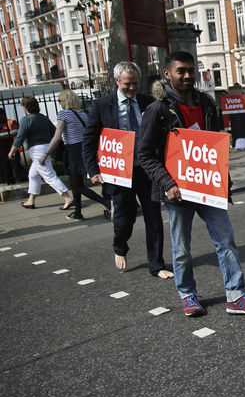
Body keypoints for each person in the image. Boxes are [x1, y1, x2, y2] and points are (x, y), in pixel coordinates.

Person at [138, 51, 245, 318]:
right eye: (180, 71)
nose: (186, 76)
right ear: (167, 74)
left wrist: (223, 177)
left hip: (207, 186)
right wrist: (167, 183)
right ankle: (187, 294)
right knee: (181, 246)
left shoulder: (206, 103)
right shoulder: (157, 109)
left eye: (190, 70)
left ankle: (235, 295)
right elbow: (144, 155)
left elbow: (212, 145)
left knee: (226, 239)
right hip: (177, 191)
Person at [82, 61, 172, 278]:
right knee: (125, 218)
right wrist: (92, 169)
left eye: (135, 83)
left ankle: (157, 265)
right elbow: (89, 139)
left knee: (154, 218)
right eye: (126, 84)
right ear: (116, 82)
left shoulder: (148, 102)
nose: (132, 88)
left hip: (147, 169)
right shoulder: (102, 106)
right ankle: (120, 247)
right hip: (119, 173)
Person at [40, 90, 110, 220]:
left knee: (77, 185)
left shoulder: (64, 114)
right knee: (76, 183)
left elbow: (57, 137)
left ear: (64, 101)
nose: (59, 103)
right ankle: (78, 212)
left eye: (60, 100)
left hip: (73, 151)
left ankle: (107, 203)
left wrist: (46, 154)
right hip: (84, 148)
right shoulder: (82, 114)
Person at [8, 96, 72, 210]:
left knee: (49, 175)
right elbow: (54, 131)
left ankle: (67, 198)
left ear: (25, 107)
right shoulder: (43, 118)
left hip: (36, 150)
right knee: (33, 175)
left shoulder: (26, 119)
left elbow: (20, 137)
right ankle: (30, 201)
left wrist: (12, 151)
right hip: (47, 147)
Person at [0, 108, 16, 184]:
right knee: (4, 169)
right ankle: (6, 181)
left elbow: (16, 132)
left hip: (12, 149)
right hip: (1, 151)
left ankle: (19, 179)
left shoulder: (10, 122)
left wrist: (3, 135)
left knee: (16, 167)